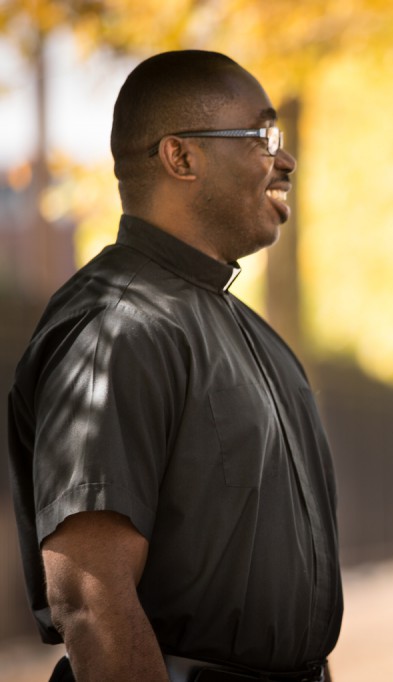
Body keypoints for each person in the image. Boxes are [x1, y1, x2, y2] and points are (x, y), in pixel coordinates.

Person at [8, 50, 342, 682]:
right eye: (263, 136)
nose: (287, 160)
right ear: (181, 157)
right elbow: (88, 594)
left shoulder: (248, 333)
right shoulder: (117, 330)